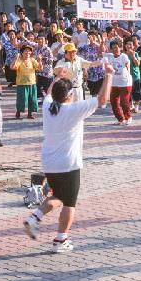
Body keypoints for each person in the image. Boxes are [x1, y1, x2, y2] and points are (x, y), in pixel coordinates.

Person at [23, 63, 114, 251]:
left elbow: (49, 92)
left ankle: (34, 218)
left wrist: (57, 77)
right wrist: (109, 75)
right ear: (69, 96)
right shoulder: (73, 110)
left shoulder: (48, 106)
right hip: (68, 165)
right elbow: (102, 99)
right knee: (70, 203)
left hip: (49, 163)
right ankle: (60, 240)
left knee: (59, 196)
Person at [105, 40, 135, 125]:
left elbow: (127, 63)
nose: (115, 49)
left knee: (123, 102)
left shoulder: (123, 56)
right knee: (113, 102)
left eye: (116, 47)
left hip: (125, 83)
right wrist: (102, 43)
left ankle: (128, 117)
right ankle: (120, 119)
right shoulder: (110, 56)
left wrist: (128, 68)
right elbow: (100, 53)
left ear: (120, 48)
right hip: (114, 83)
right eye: (113, 48)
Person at [11, 45, 40, 119]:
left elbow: (39, 68)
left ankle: (29, 114)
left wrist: (39, 60)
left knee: (32, 99)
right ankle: (18, 112)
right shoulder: (19, 60)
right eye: (26, 50)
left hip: (32, 83)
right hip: (22, 83)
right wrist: (16, 58)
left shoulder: (32, 60)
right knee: (22, 99)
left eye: (29, 51)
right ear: (22, 52)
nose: (27, 52)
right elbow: (12, 67)